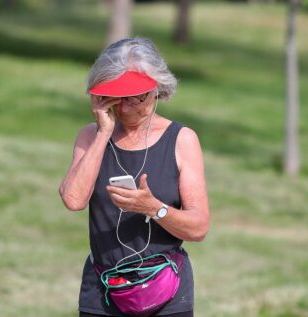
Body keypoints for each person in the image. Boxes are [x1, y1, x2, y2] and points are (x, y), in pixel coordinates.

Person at [59, 38, 210, 317]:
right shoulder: (91, 136)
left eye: (137, 97)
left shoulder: (182, 140)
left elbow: (198, 228)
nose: (127, 107)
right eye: (118, 96)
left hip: (167, 291)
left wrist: (154, 209)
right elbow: (73, 199)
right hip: (103, 289)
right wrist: (103, 132)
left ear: (157, 90)